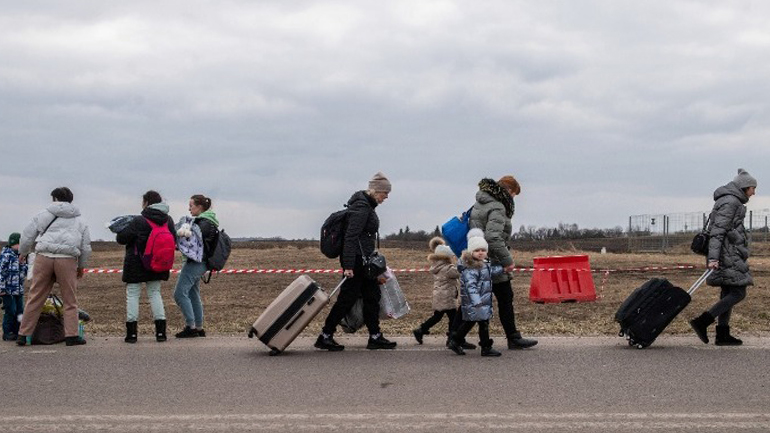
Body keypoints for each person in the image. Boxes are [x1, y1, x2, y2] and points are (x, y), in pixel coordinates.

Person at [315, 172, 398, 351]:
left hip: (365, 262)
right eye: (385, 193)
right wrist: (349, 266)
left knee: (372, 297)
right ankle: (325, 335)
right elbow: (350, 238)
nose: (386, 197)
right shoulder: (361, 208)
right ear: (376, 191)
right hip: (357, 263)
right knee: (346, 299)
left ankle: (375, 336)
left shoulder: (366, 206)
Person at [465, 176, 537, 350]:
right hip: (494, 259)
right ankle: (513, 338)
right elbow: (493, 237)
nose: (513, 199)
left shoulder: (480, 203)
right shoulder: (498, 206)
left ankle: (455, 336)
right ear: (507, 191)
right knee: (505, 298)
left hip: (480, 257)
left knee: (476, 299)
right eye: (513, 194)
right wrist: (508, 260)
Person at [689, 169, 757, 346]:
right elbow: (717, 232)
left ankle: (722, 334)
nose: (754, 192)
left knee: (728, 291)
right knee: (738, 292)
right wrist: (713, 258)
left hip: (729, 253)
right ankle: (702, 321)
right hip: (727, 255)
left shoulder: (730, 200)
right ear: (744, 187)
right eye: (752, 188)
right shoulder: (731, 202)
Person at [17, 187, 91, 346]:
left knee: (35, 296)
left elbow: (28, 235)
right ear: (71, 200)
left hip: (44, 256)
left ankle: (23, 334)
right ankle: (71, 335)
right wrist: (81, 266)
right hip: (67, 259)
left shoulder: (43, 214)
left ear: (55, 199)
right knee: (70, 299)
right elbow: (85, 247)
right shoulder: (80, 220)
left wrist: (23, 252)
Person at [116, 191, 177, 343]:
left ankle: (132, 334)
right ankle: (161, 333)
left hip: (136, 264)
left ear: (146, 202)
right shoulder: (168, 220)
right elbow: (174, 239)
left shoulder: (139, 220)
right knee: (155, 294)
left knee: (132, 295)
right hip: (157, 264)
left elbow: (122, 239)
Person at [447, 229, 504, 356]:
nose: (480, 253)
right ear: (471, 252)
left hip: (481, 301)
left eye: (483, 250)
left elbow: (489, 273)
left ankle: (456, 341)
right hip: (475, 302)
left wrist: (501, 269)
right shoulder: (471, 268)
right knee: (480, 323)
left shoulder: (484, 264)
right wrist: (476, 300)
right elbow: (470, 286)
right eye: (477, 250)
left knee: (473, 322)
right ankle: (485, 347)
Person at [174, 194, 218, 338]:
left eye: (191, 205)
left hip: (195, 263)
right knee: (193, 294)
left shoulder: (202, 223)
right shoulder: (210, 222)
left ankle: (191, 326)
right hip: (203, 263)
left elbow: (191, 243)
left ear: (199, 207)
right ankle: (199, 327)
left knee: (180, 294)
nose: (189, 208)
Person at [412, 237, 460, 345]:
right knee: (453, 317)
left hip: (440, 294)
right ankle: (451, 337)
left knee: (438, 316)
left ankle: (421, 329)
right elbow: (458, 272)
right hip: (447, 295)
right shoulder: (448, 268)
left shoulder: (438, 266)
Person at [1, 233, 28, 341]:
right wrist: (1, 289)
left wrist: (22, 264)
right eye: (18, 244)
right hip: (7, 291)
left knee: (19, 311)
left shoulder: (20, 256)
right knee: (10, 310)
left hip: (18, 290)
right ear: (13, 244)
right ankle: (7, 332)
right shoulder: (6, 256)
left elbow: (23, 275)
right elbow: (1, 273)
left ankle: (18, 331)